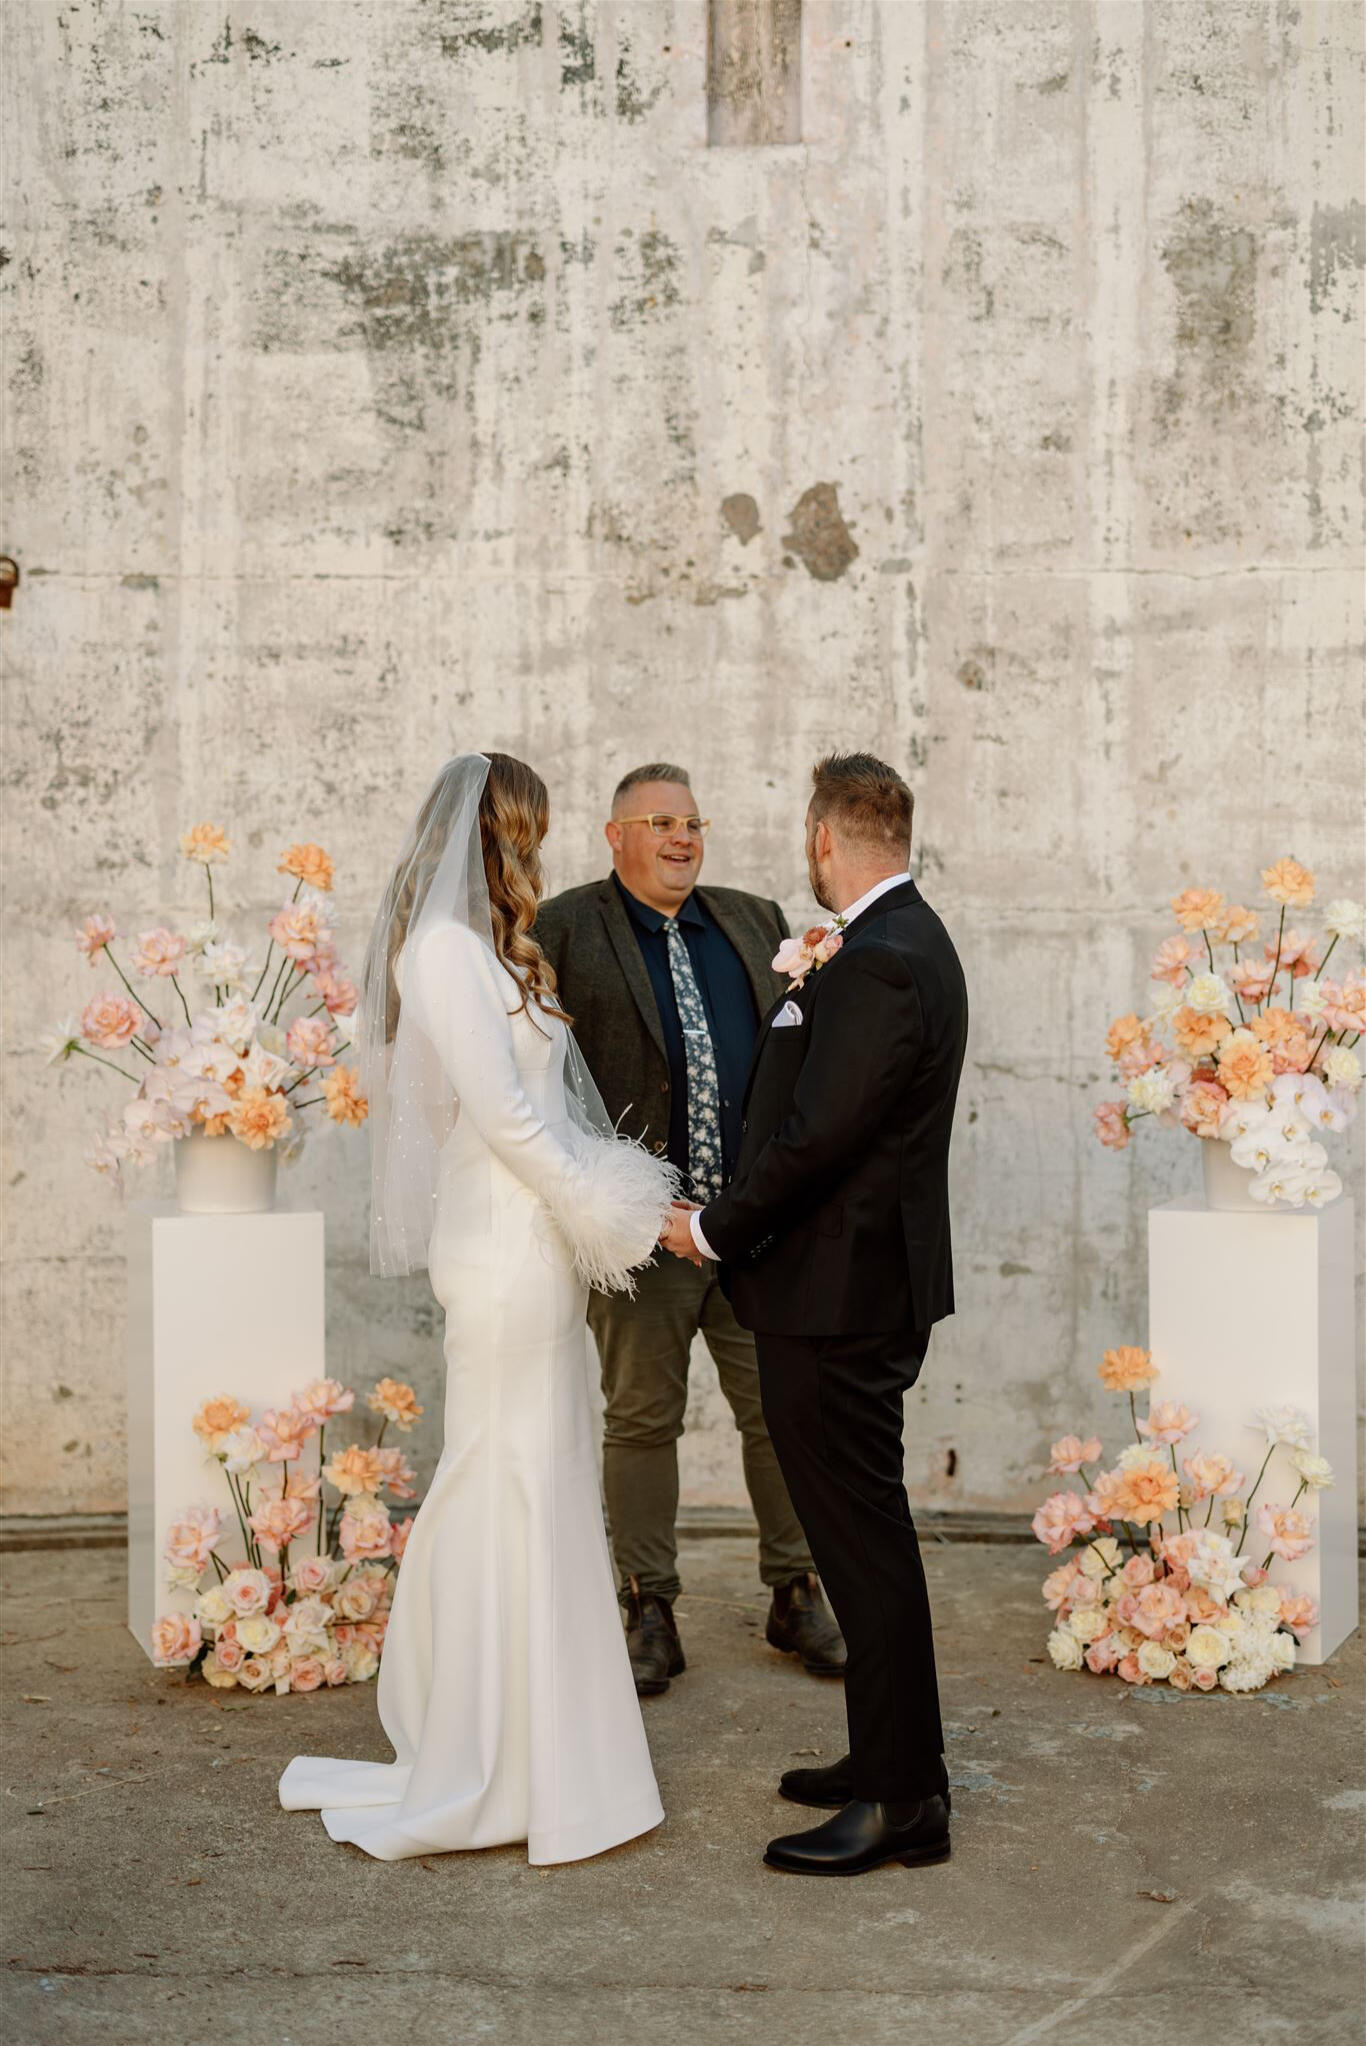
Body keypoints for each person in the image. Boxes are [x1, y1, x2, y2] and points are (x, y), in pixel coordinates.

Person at [279, 753, 677, 1864]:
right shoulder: (445, 953)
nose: (537, 851)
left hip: (534, 1238)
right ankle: (487, 1748)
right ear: (498, 830)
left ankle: (546, 1745)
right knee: (508, 1474)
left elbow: (544, 1103)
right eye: (531, 830)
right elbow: (502, 1119)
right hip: (500, 1243)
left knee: (542, 1477)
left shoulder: (499, 953)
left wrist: (606, 1201)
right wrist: (610, 1203)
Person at [660, 751, 969, 1878]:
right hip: (853, 1292)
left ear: (826, 838)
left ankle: (901, 1806)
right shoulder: (901, 942)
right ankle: (891, 1762)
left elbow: (818, 1141)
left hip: (837, 1302)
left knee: (864, 1549)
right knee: (864, 1542)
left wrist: (710, 1228)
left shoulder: (883, 961)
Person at [535, 764, 846, 1694]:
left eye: (694, 822)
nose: (682, 838)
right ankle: (648, 1605)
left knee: (784, 1414)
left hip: (751, 1227)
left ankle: (795, 1592)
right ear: (614, 835)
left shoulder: (754, 918)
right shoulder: (563, 926)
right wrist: (611, 1201)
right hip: (639, 1229)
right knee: (641, 1420)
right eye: (661, 822)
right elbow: (543, 1081)